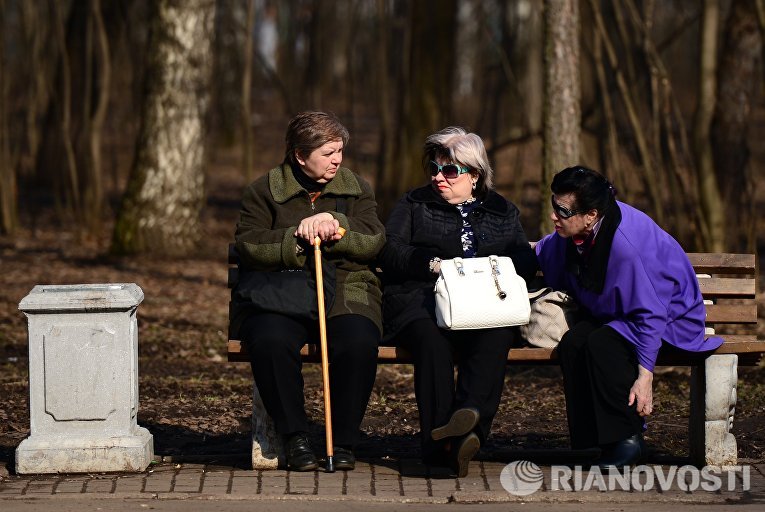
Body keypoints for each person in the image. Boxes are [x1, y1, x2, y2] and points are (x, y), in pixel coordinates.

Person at [534, 165, 723, 468]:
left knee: (602, 343)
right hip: (618, 312)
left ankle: (628, 439)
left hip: (669, 319)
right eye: (553, 205)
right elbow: (546, 250)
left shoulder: (626, 244)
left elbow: (651, 313)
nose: (554, 215)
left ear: (591, 214)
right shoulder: (577, 229)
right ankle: (596, 439)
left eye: (562, 210)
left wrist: (646, 376)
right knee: (574, 343)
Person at [378, 126, 537, 477]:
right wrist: (433, 266)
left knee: (496, 336)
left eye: (450, 171)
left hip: (484, 303)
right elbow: (390, 248)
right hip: (421, 299)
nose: (439, 178)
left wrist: (491, 270)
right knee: (431, 343)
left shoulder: (501, 211)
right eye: (434, 169)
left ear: (475, 175)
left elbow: (524, 258)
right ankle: (440, 448)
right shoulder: (414, 203)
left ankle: (466, 432)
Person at [232, 111, 386, 471]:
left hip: (348, 288)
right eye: (328, 153)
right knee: (269, 339)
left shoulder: (357, 188)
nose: (337, 160)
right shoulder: (263, 190)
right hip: (282, 293)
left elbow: (375, 240)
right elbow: (249, 244)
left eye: (339, 151)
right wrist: (295, 238)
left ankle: (344, 441)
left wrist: (338, 226)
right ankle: (295, 438)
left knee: (359, 340)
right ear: (300, 155)